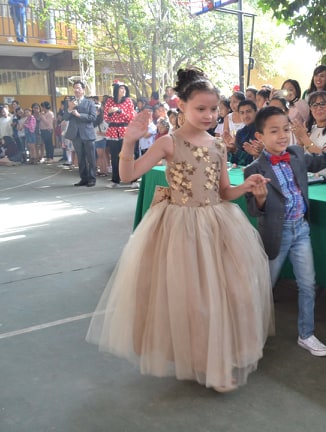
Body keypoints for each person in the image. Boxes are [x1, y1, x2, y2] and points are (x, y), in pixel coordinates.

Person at [86, 67, 274, 392]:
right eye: (200, 108)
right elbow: (129, 175)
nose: (208, 115)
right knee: (194, 302)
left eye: (214, 109)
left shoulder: (218, 146)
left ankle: (218, 356)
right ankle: (208, 365)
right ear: (182, 105)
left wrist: (245, 187)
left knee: (230, 294)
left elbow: (223, 191)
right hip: (181, 229)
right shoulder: (168, 143)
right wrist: (129, 140)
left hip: (218, 225)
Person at [243, 105, 326, 357]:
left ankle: (306, 334)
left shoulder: (296, 155)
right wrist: (258, 198)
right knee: (263, 287)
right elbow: (255, 211)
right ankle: (250, 335)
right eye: (274, 131)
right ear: (260, 136)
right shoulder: (254, 169)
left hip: (300, 230)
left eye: (285, 129)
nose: (282, 135)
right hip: (275, 235)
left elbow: (325, 159)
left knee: (308, 284)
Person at [292, 91, 326, 177]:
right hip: (311, 177)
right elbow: (299, 159)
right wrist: (300, 142)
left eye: (322, 104)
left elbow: (325, 158)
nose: (319, 108)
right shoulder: (311, 129)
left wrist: (304, 138)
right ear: (310, 109)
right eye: (314, 105)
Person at [62, 81, 97, 186]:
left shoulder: (89, 102)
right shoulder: (70, 102)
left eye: (78, 88)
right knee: (80, 157)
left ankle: (92, 179)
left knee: (91, 158)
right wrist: (69, 108)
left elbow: (93, 117)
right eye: (74, 88)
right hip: (75, 134)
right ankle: (83, 178)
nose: (76, 90)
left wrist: (79, 115)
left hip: (87, 133)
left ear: (83, 90)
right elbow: (65, 118)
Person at [105, 82, 135, 187]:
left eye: (125, 89)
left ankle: (133, 180)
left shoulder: (128, 101)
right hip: (113, 131)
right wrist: (110, 112)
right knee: (114, 157)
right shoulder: (109, 101)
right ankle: (115, 180)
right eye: (121, 88)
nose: (124, 91)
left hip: (125, 130)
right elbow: (106, 117)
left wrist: (119, 111)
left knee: (128, 156)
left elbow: (131, 117)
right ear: (116, 90)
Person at [231, 99, 257, 166]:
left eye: (248, 111)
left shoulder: (264, 131)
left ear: (256, 112)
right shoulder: (240, 133)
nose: (245, 116)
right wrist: (231, 150)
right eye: (242, 113)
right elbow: (235, 161)